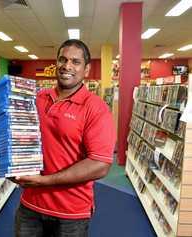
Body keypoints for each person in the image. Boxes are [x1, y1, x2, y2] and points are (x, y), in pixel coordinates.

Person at [12, 39, 116, 237]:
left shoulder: (96, 108)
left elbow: (100, 164)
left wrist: (45, 181)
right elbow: (19, 134)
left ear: (86, 70)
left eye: (75, 62)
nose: (67, 66)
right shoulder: (38, 98)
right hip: (30, 206)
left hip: (71, 214)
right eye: (63, 59)